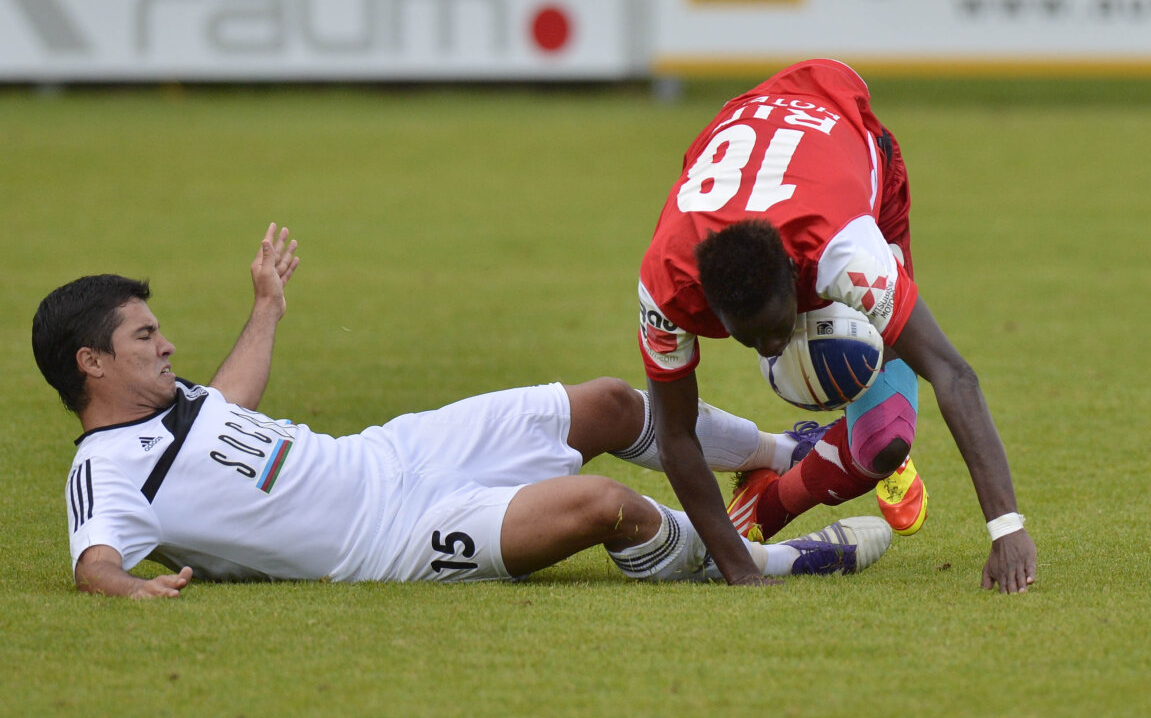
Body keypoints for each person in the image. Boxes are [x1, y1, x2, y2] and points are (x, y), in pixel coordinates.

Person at [33, 223, 893, 599]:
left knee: (607, 402)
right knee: (605, 507)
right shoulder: (105, 470)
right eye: (145, 336)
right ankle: (776, 560)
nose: (167, 346)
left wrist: (266, 309)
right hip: (392, 541)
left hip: (397, 451)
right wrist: (133, 589)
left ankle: (784, 455)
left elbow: (226, 408)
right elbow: (93, 561)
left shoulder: (171, 405)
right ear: (91, 363)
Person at [637, 58, 1037, 592]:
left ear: (796, 273)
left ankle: (778, 494)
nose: (772, 349)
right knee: (864, 423)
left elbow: (952, 372)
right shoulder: (666, 283)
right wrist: (741, 572)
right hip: (754, 136)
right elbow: (675, 435)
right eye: (751, 339)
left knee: (886, 441)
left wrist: (1007, 528)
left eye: (775, 329)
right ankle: (776, 482)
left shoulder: (847, 251)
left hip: (846, 138)